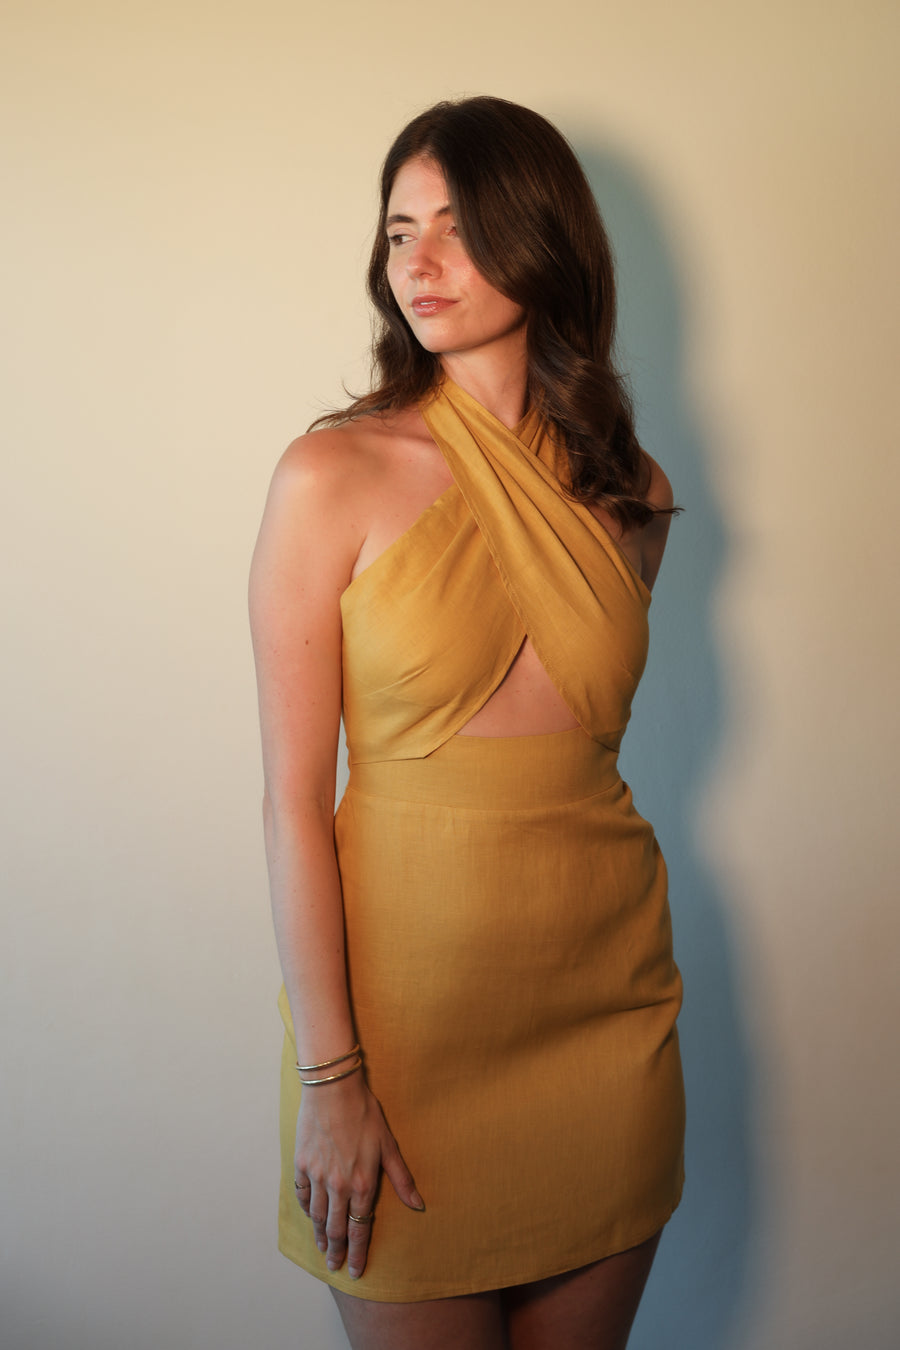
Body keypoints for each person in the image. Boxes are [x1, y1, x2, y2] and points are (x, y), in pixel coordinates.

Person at [249, 96, 685, 1350]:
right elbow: (290, 799)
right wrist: (332, 1081)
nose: (419, 263)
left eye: (456, 225)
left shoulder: (630, 489)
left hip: (606, 1015)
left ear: (544, 239)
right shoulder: (331, 475)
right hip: (401, 1046)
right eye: (397, 233)